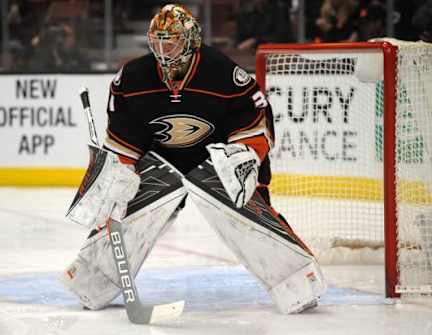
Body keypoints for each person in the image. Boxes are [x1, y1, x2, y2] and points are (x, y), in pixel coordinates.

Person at [61, 4, 325, 315]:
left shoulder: (224, 74)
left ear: (191, 41)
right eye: (157, 42)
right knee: (125, 201)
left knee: (242, 207)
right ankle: (93, 280)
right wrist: (117, 176)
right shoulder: (130, 80)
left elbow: (256, 126)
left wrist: (243, 156)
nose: (163, 50)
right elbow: (123, 145)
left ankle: (297, 279)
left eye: (170, 42)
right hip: (162, 159)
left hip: (216, 158)